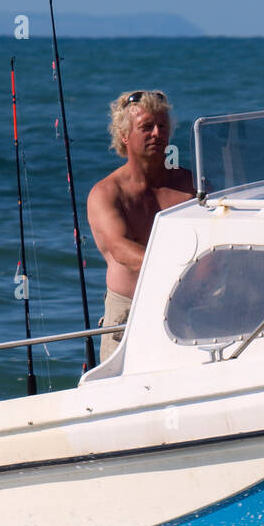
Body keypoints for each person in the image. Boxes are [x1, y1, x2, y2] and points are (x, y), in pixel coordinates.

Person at [86, 90, 194, 354]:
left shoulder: (191, 184)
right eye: (147, 127)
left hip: (186, 307)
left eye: (163, 126)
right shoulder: (107, 192)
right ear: (124, 135)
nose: (157, 133)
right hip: (128, 313)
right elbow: (119, 248)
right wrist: (176, 268)